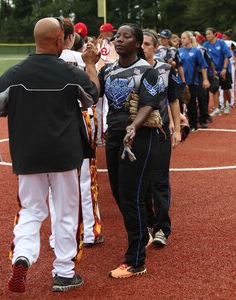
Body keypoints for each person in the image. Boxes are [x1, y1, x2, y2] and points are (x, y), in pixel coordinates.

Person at [0, 17, 99, 293]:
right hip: (64, 154)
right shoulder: (70, 72)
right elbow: (92, 97)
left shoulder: (13, 74)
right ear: (58, 40)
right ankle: (64, 272)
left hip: (28, 154)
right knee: (65, 211)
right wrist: (90, 65)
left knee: (31, 210)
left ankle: (23, 256)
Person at [98, 23, 164, 278]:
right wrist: (91, 67)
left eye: (126, 36)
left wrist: (134, 127)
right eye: (117, 36)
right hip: (114, 135)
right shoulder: (110, 69)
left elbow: (150, 103)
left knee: (132, 195)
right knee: (118, 193)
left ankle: (136, 261)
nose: (119, 39)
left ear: (137, 44)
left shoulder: (147, 72)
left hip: (139, 137)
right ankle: (141, 232)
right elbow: (94, 93)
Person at [48, 18, 103, 249]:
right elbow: (95, 93)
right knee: (84, 177)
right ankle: (89, 231)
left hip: (51, 119)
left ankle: (57, 234)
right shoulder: (80, 58)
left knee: (53, 181)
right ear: (70, 37)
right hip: (81, 117)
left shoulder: (44, 60)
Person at [142, 30, 181, 247]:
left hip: (160, 133)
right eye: (143, 44)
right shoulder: (132, 69)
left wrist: (175, 129)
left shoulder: (166, 69)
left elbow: (174, 99)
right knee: (143, 183)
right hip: (138, 135)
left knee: (159, 182)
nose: (145, 47)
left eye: (149, 44)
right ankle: (148, 221)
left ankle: (162, 228)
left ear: (156, 47)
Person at [178, 31, 210, 132]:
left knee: (191, 103)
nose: (182, 40)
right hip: (180, 81)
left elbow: (203, 66)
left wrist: (205, 79)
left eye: (184, 38)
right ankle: (180, 123)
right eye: (181, 38)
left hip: (192, 81)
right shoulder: (179, 51)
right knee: (179, 103)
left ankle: (193, 124)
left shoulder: (196, 51)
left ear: (190, 39)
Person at [204, 28, 232, 116]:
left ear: (214, 34)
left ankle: (227, 104)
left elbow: (227, 56)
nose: (207, 36)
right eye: (206, 34)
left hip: (224, 69)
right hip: (213, 71)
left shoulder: (221, 43)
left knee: (226, 89)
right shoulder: (205, 45)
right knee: (215, 88)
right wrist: (212, 70)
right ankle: (217, 108)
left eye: (209, 34)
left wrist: (224, 69)